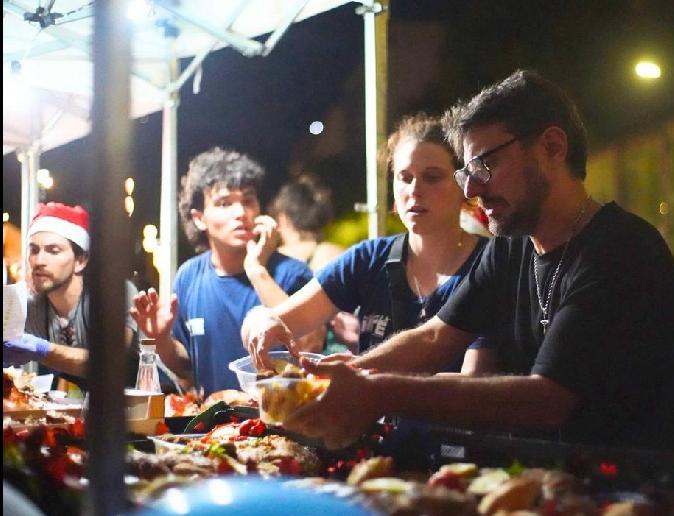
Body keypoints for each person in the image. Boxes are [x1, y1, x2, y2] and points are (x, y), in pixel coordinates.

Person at [250, 70, 674, 457]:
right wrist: (350, 376)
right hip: (564, 482)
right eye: (466, 172)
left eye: (485, 166)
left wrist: (376, 391)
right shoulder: (512, 246)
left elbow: (546, 400)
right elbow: (434, 336)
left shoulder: (621, 249)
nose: (471, 190)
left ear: (553, 147)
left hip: (652, 490)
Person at [242, 112, 495, 375]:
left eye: (432, 177)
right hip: (369, 416)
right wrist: (260, 319)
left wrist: (360, 372)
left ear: (463, 185)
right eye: (404, 177)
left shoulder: (490, 263)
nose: (414, 190)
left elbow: (470, 384)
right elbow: (281, 320)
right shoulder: (370, 257)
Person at [130, 147, 319, 395]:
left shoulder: (292, 273)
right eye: (225, 203)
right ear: (199, 218)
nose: (241, 213)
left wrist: (256, 270)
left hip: (284, 421)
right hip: (218, 428)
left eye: (248, 200)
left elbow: (310, 345)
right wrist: (161, 338)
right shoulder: (189, 277)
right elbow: (187, 367)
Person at [2, 202, 140, 390]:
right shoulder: (32, 306)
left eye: (53, 251)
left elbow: (109, 363)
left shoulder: (114, 294)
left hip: (163, 404)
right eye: (34, 250)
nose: (39, 261)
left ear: (80, 261)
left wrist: (44, 350)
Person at [270, 173, 357, 353]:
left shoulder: (275, 262)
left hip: (289, 357)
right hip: (342, 358)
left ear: (283, 219)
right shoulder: (340, 254)